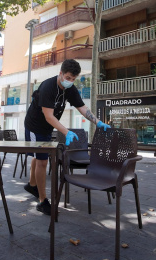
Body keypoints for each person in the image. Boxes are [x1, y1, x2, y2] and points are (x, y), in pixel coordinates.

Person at [24, 59, 110, 215]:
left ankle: (32, 185)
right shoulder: (48, 87)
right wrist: (66, 132)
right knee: (42, 161)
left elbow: (82, 108)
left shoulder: (70, 89)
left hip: (47, 127)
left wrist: (98, 122)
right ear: (61, 74)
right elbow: (49, 116)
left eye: (73, 79)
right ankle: (42, 201)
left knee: (38, 157)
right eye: (68, 77)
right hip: (34, 126)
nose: (70, 81)